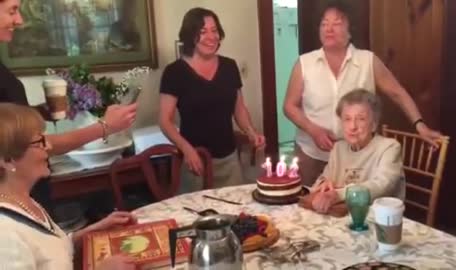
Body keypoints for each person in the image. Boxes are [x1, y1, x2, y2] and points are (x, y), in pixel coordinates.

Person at [283, 0, 442, 187]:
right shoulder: (304, 63)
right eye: (324, 23)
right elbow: (289, 106)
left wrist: (420, 125)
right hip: (311, 154)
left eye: (337, 23)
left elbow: (398, 93)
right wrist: (313, 130)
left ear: (350, 30)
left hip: (357, 158)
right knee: (308, 207)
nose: (329, 28)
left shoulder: (367, 61)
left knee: (352, 207)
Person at [0, 0, 137, 214]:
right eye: (12, 11)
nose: (19, 20)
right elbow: (30, 145)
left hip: (26, 195)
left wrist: (38, 112)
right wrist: (105, 127)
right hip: (13, 201)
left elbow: (11, 122)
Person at [0, 103, 136, 269]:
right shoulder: (5, 233)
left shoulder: (25, 202)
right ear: (7, 161)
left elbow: (55, 249)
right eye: (39, 142)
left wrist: (96, 229)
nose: (49, 147)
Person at [158, 7, 265, 192]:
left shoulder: (229, 67)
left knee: (235, 212)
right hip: (195, 161)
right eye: (203, 32)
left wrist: (251, 132)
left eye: (214, 30)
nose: (211, 37)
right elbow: (164, 121)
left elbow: (239, 109)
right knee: (197, 217)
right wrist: (187, 150)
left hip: (229, 159)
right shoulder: (174, 72)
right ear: (190, 36)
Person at [299, 89, 405, 214]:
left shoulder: (389, 147)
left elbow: (382, 185)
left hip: (378, 219)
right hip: (343, 216)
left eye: (361, 119)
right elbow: (325, 178)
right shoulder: (338, 148)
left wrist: (338, 194)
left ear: (374, 124)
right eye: (347, 119)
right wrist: (324, 184)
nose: (353, 126)